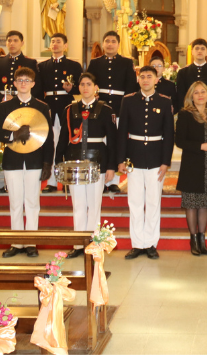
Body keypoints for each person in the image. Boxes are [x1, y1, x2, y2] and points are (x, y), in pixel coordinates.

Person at [0, 67, 53, 258]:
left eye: (27, 80)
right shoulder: (4, 107)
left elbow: (49, 137)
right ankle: (16, 242)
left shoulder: (42, 107)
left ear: (33, 84)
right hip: (13, 159)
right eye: (20, 80)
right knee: (15, 202)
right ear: (14, 84)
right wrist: (12, 135)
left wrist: (47, 162)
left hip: (34, 160)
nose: (23, 83)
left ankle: (31, 242)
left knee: (32, 201)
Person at [55, 73, 117, 258]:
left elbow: (112, 140)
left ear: (96, 87)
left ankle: (94, 243)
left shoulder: (105, 109)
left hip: (97, 160)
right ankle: (78, 243)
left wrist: (111, 166)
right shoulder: (70, 109)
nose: (85, 88)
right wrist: (59, 162)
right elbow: (63, 138)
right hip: (74, 161)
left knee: (94, 204)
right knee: (78, 204)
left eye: (89, 84)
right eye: (82, 84)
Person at [117, 66, 174, 260]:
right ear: (138, 79)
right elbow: (122, 131)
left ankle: (150, 243)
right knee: (134, 201)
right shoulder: (128, 100)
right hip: (134, 158)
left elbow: (168, 134)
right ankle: (137, 243)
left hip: (156, 158)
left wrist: (166, 161)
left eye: (150, 76)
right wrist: (121, 160)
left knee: (152, 201)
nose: (146, 80)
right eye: (142, 77)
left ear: (157, 79)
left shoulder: (165, 102)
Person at [87, 30, 138, 193]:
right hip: (99, 108)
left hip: (119, 106)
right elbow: (89, 81)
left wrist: (126, 109)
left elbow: (130, 87)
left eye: (113, 41)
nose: (110, 44)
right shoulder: (95, 63)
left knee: (116, 142)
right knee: (102, 142)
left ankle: (114, 181)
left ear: (118, 44)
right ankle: (101, 178)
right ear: (103, 44)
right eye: (107, 41)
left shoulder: (126, 62)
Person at [175, 82, 207, 256]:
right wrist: (199, 146)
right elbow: (179, 140)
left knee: (205, 204)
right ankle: (193, 239)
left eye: (204, 92)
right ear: (191, 96)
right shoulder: (185, 114)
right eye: (197, 93)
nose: (200, 95)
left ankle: (202, 238)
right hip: (192, 164)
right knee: (192, 204)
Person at [39, 33, 82, 194]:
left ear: (66, 45)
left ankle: (67, 180)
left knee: (68, 144)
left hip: (68, 107)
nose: (55, 44)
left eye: (58, 42)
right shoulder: (42, 66)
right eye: (53, 42)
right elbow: (38, 90)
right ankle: (50, 180)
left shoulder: (74, 66)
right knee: (51, 144)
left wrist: (73, 89)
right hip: (49, 107)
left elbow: (83, 86)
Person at [0, 30, 41, 105]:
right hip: (4, 103)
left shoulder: (30, 62)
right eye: (9, 41)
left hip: (24, 102)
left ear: (22, 43)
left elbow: (37, 86)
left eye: (15, 41)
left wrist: (25, 99)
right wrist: (1, 98)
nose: (12, 43)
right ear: (6, 43)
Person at [175, 38, 207, 112]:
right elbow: (180, 95)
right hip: (189, 112)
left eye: (202, 49)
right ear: (192, 52)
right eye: (197, 48)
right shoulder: (183, 73)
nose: (199, 51)